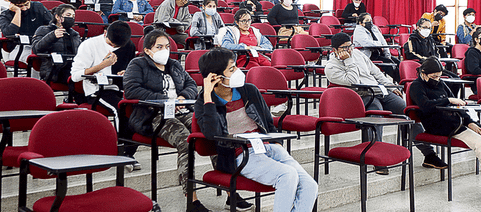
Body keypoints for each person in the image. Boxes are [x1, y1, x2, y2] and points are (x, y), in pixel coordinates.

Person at [125, 30, 245, 212]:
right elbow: (132, 89)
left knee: (214, 134)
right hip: (156, 115)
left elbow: (191, 85)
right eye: (159, 47)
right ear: (148, 50)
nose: (164, 50)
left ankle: (230, 191)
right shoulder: (137, 64)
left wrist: (181, 97)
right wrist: (166, 100)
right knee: (185, 141)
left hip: (183, 110)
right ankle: (192, 199)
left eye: (166, 46)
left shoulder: (174, 65)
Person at [194, 47, 318, 212]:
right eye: (232, 69)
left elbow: (267, 121)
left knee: (310, 185)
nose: (238, 71)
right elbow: (211, 134)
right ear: (215, 76)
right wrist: (208, 96)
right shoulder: (204, 102)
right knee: (287, 176)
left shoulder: (249, 90)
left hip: (267, 146)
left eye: (236, 66)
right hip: (240, 154)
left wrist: (276, 143)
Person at [325, 33, 447, 173]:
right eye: (344, 48)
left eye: (350, 46)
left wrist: (391, 86)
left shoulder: (357, 53)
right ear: (334, 50)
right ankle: (377, 158)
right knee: (376, 116)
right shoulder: (331, 68)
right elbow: (353, 80)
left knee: (408, 113)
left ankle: (429, 155)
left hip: (380, 91)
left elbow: (375, 72)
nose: (350, 50)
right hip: (362, 96)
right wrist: (348, 61)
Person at [410, 57, 481, 204]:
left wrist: (470, 122)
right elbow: (425, 105)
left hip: (455, 122)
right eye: (434, 77)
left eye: (439, 76)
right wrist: (449, 101)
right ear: (423, 74)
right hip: (438, 125)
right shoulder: (416, 86)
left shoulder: (441, 83)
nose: (437, 79)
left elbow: (458, 107)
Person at [71, 21, 138, 165]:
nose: (113, 47)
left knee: (139, 108)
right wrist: (102, 65)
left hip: (119, 88)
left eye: (117, 46)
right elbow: (76, 75)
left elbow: (132, 68)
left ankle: (130, 150)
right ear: (105, 32)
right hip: (96, 90)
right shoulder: (89, 45)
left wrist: (127, 72)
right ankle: (122, 151)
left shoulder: (128, 46)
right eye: (111, 44)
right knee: (121, 108)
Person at [404, 18, 463, 97]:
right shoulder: (412, 39)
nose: (427, 30)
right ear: (418, 28)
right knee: (446, 81)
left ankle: (453, 100)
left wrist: (435, 61)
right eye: (425, 27)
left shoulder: (430, 39)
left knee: (456, 79)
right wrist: (427, 60)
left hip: (434, 67)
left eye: (429, 28)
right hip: (423, 67)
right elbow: (410, 54)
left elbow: (436, 53)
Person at [0, 0, 52, 64]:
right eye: (20, 6)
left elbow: (51, 25)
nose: (24, 8)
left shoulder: (38, 7)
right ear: (12, 4)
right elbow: (9, 33)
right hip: (19, 47)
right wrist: (17, 12)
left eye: (26, 4)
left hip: (39, 44)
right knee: (36, 61)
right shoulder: (5, 15)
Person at [32, 4, 81, 84]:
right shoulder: (44, 30)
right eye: (68, 15)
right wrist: (52, 36)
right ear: (57, 17)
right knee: (78, 78)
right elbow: (36, 48)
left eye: (73, 16)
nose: (71, 18)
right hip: (54, 69)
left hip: (73, 67)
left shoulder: (74, 34)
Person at [352, 13, 400, 83]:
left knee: (398, 63)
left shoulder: (374, 28)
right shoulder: (358, 30)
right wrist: (379, 45)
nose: (370, 22)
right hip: (368, 55)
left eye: (371, 20)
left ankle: (405, 82)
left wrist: (387, 55)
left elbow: (383, 41)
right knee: (390, 65)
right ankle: (401, 84)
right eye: (367, 20)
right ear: (361, 23)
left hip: (379, 53)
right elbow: (366, 43)